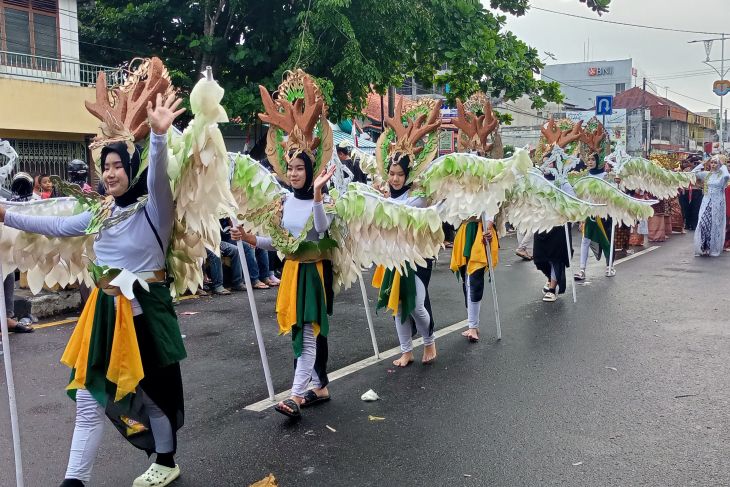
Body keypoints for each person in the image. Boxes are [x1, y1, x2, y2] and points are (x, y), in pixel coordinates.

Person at [0, 93, 186, 487]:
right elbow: (53, 226)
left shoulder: (155, 208)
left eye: (119, 165)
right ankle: (75, 480)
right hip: (104, 311)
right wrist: (4, 213)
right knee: (88, 394)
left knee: (153, 393)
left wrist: (157, 136)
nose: (112, 172)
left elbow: (157, 175)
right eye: (106, 166)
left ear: (131, 170)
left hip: (145, 312)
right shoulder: (101, 212)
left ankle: (166, 460)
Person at [234, 152, 336, 419]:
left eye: (300, 168)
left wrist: (316, 196)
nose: (293, 174)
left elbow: (322, 227)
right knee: (300, 330)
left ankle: (295, 395)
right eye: (290, 168)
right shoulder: (285, 201)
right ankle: (319, 385)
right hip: (292, 273)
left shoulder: (326, 201)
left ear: (311, 171)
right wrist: (248, 237)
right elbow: (279, 242)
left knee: (307, 331)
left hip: (313, 274)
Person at [374, 154, 438, 366]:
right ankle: (406, 351)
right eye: (391, 174)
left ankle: (429, 341)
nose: (395, 179)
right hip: (393, 259)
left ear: (408, 175)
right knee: (399, 306)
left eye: (400, 174)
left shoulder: (418, 199)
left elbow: (425, 210)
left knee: (416, 305)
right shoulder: (383, 200)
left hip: (418, 258)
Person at [450, 215, 496, 342]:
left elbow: (491, 209)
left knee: (474, 279)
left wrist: (488, 229)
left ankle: (473, 327)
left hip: (480, 233)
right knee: (466, 280)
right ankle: (473, 325)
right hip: (465, 232)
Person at [574, 153, 613, 281]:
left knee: (606, 241)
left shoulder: (606, 176)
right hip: (589, 213)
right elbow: (582, 197)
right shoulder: (585, 177)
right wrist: (581, 217)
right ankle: (582, 270)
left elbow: (613, 194)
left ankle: (609, 266)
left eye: (592, 159)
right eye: (588, 159)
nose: (590, 162)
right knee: (585, 241)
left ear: (598, 161)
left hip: (604, 214)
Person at [692, 155, 730, 257]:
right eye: (712, 162)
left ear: (719, 164)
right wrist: (703, 163)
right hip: (706, 202)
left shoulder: (722, 176)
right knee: (703, 223)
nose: (713, 164)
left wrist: (723, 165)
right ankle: (703, 246)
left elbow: (727, 176)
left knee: (714, 226)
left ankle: (711, 247)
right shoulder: (707, 175)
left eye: (715, 163)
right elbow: (693, 173)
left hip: (718, 204)